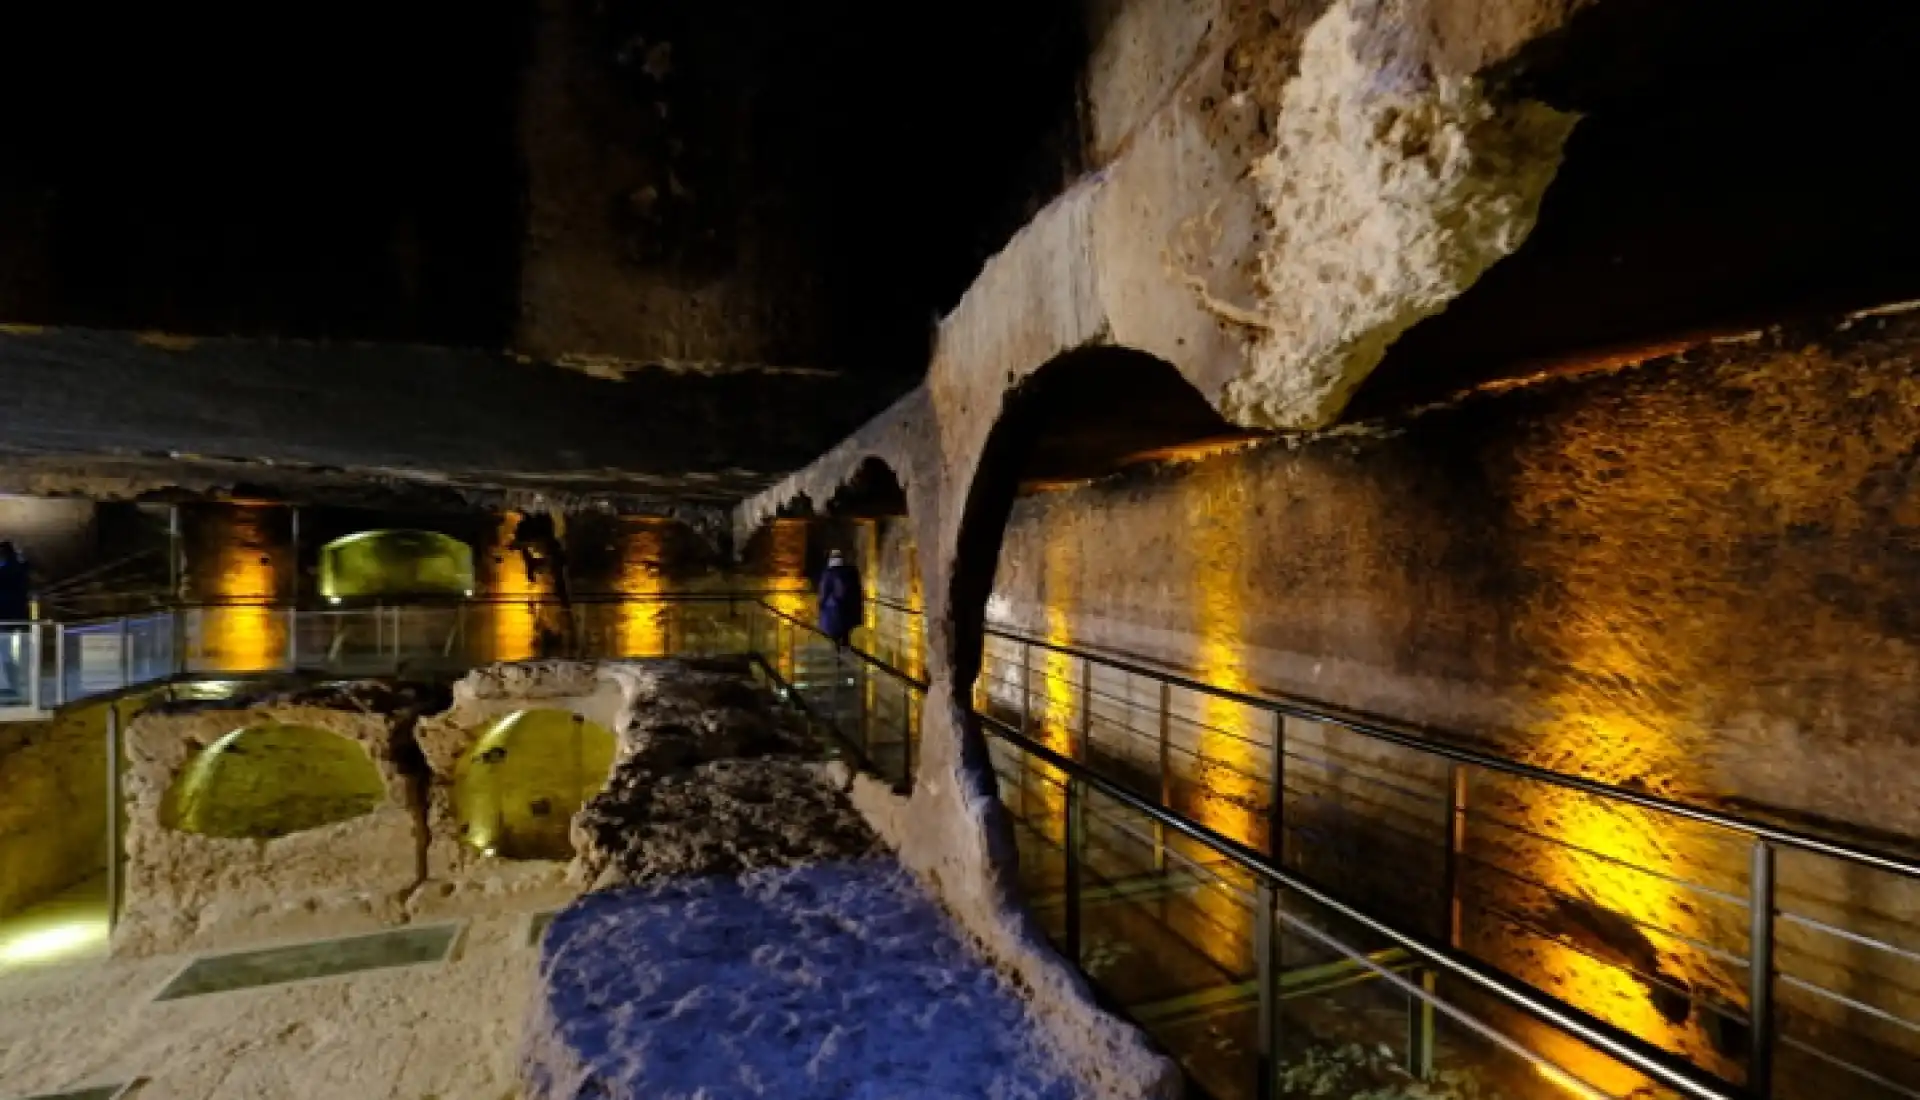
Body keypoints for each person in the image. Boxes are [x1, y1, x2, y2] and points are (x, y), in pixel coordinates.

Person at [817, 549, 863, 651]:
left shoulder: (828, 573)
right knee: (845, 631)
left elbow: (824, 591)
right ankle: (845, 646)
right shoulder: (850, 572)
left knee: (835, 634)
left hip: (833, 610)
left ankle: (837, 652)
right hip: (848, 611)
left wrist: (820, 604)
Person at [0, 543, 29, 699]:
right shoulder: (19, 568)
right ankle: (13, 685)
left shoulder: (5, 571)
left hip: (5, 619)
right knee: (9, 654)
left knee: (5, 654)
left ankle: (10, 686)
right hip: (17, 618)